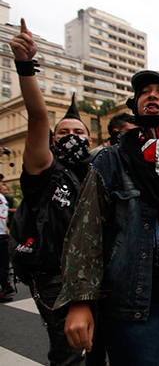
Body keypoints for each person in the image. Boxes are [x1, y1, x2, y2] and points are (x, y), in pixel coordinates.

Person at [54, 69, 159, 366]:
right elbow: (86, 231)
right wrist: (80, 300)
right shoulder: (110, 160)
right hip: (131, 302)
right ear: (136, 103)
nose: (152, 96)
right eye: (145, 91)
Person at [9, 19, 93, 366]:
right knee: (69, 354)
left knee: (97, 350)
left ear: (89, 140)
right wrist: (26, 66)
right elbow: (39, 117)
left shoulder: (97, 174)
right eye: (64, 131)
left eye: (79, 131)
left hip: (94, 275)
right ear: (54, 140)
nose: (71, 135)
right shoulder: (44, 170)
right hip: (55, 277)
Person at [0, 176, 13, 301]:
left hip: (2, 234)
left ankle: (5, 286)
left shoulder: (3, 198)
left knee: (4, 264)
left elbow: (4, 215)